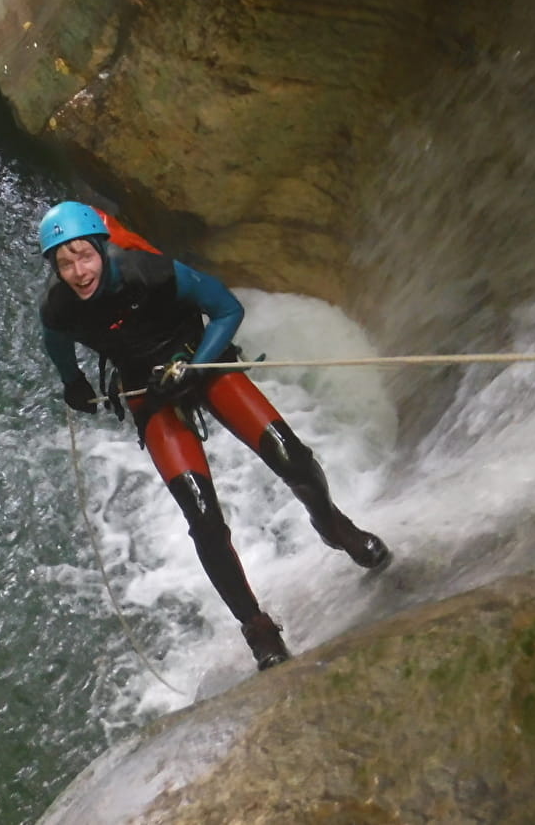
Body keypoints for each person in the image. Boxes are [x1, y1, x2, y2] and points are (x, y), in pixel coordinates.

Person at [37, 201, 390, 671]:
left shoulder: (152, 272)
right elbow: (58, 347)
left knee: (292, 458)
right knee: (202, 516)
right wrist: (73, 384)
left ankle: (332, 524)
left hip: (202, 361)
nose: (78, 272)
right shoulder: (60, 307)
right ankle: (257, 628)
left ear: (103, 249)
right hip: (150, 392)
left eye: (85, 256)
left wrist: (194, 364)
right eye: (65, 263)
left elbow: (226, 308)